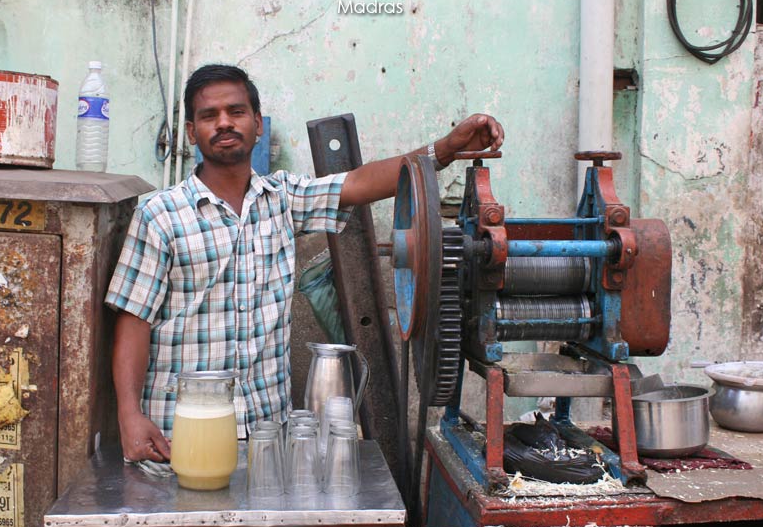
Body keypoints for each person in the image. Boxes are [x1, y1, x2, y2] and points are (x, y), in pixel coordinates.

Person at [105, 64, 504, 463]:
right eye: (210, 116)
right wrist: (129, 415)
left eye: (236, 111)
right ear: (192, 132)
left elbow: (362, 182)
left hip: (265, 440)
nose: (224, 123)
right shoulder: (160, 215)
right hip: (180, 436)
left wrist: (445, 149)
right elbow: (133, 321)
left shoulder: (282, 199)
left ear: (257, 124)